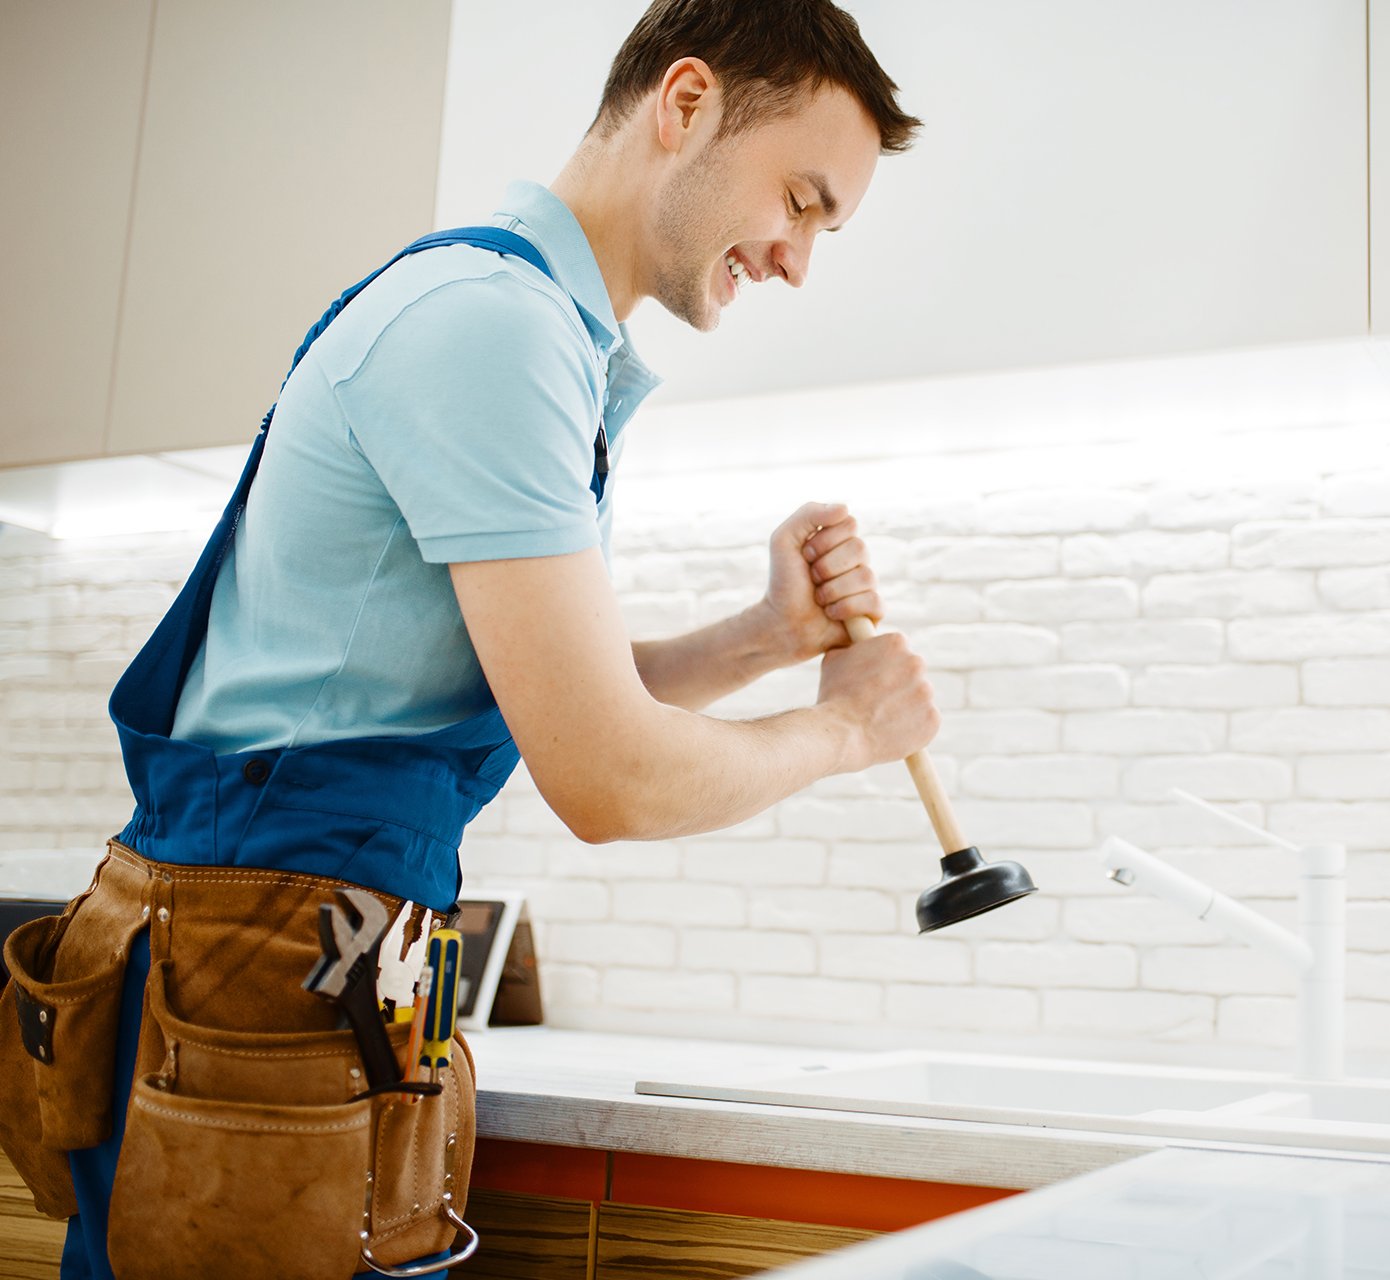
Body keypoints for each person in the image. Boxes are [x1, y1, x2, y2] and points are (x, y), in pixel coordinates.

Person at [0, 2, 934, 1275]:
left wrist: (765, 635)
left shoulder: (537, 330)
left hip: (341, 947)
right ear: (688, 104)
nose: (796, 259)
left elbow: (538, 690)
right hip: (262, 953)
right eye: (803, 200)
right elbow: (607, 776)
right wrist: (844, 728)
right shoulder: (493, 330)